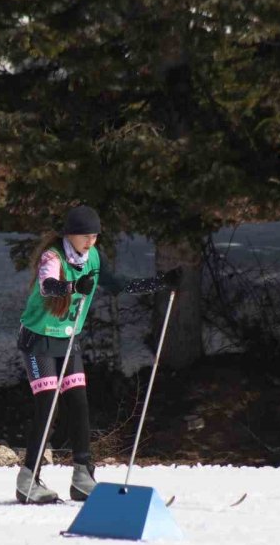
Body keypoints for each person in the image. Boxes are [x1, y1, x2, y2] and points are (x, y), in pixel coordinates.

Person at [15, 205, 179, 504]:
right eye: (84, 236)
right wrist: (75, 285)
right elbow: (49, 287)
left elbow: (118, 285)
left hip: (68, 340)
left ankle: (82, 476)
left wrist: (160, 282)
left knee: (79, 403)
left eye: (94, 236)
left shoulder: (93, 258)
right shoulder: (53, 257)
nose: (90, 242)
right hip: (38, 340)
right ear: (70, 235)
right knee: (48, 406)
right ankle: (28, 478)